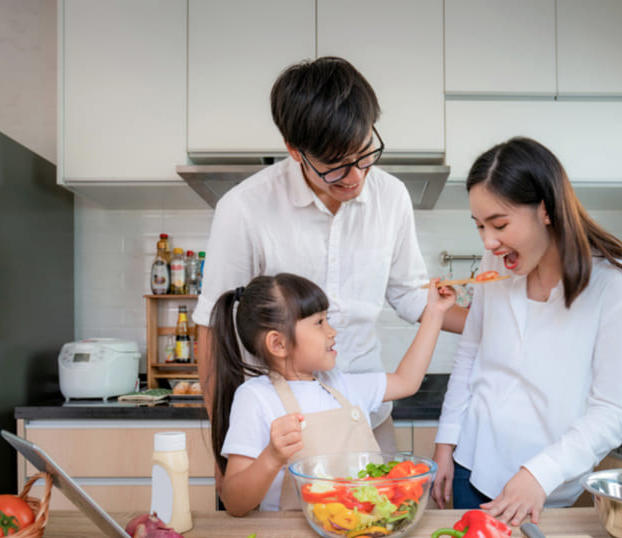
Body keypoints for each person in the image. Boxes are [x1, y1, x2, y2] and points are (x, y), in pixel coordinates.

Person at [193, 56, 467, 480]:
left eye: (364, 154)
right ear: (294, 150)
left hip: (367, 418)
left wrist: (495, 318)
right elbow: (215, 327)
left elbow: (411, 295)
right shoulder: (244, 209)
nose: (356, 176)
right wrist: (222, 447)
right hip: (277, 431)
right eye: (336, 165)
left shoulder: (391, 197)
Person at [431, 137, 622, 526]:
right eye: (480, 226)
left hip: (545, 484)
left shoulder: (616, 284)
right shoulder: (495, 262)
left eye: (499, 224)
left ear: (546, 210)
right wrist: (446, 442)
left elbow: (614, 411)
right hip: (472, 460)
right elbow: (470, 353)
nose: (488, 242)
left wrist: (539, 473)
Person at [210, 272, 455, 516]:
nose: (332, 332)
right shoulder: (255, 398)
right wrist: (271, 457)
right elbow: (234, 502)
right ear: (278, 344)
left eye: (327, 320)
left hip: (357, 532)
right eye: (319, 323)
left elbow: (406, 382)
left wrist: (434, 313)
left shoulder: (340, 385)